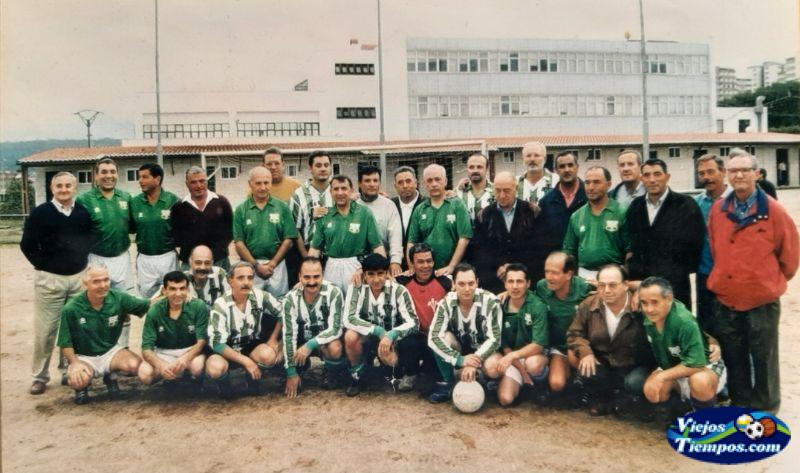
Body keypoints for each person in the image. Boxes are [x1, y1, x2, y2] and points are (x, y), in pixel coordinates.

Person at [708, 151, 799, 413]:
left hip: (761, 301)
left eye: (744, 170)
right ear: (727, 174)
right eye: (733, 170)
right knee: (734, 358)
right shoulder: (718, 210)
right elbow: (717, 249)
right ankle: (741, 405)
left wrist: (766, 282)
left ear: (756, 174)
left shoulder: (774, 211)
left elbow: (790, 258)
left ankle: (767, 410)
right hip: (727, 299)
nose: (738, 175)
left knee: (764, 359)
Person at [21, 171, 94, 395]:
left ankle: (68, 371)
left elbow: (89, 240)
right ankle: (39, 376)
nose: (64, 190)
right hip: (50, 280)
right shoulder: (41, 213)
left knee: (72, 329)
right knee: (46, 331)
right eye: (59, 186)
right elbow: (27, 245)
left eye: (68, 186)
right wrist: (44, 265)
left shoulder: (82, 212)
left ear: (75, 188)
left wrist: (80, 264)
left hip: (77, 279)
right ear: (52, 189)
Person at [57, 264, 150, 405]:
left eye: (106, 280)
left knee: (136, 365)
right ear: (85, 283)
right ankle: (82, 389)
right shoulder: (71, 308)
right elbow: (65, 342)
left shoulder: (118, 298)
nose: (103, 285)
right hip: (84, 357)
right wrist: (75, 363)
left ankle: (110, 377)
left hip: (110, 352)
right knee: (76, 379)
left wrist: (168, 295)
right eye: (96, 281)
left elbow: (148, 305)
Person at [567, 265, 652, 416]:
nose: (606, 290)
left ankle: (633, 400)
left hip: (633, 363)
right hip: (604, 362)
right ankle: (603, 399)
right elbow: (574, 333)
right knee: (582, 361)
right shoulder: (588, 304)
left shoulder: (641, 305)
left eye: (612, 285)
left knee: (635, 382)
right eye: (602, 285)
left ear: (626, 285)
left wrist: (709, 341)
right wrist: (586, 353)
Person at [625, 158, 705, 308]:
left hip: (674, 287)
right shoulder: (635, 207)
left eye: (657, 174)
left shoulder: (686, 205)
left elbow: (695, 250)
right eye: (647, 175)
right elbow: (633, 246)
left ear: (667, 177)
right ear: (641, 179)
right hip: (642, 286)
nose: (652, 180)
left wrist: (672, 276)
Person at [639, 277, 726, 415]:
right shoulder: (650, 315)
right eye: (644, 303)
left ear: (668, 298)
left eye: (655, 302)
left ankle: (706, 416)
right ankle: (683, 410)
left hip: (703, 367)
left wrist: (661, 376)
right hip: (675, 366)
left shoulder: (683, 320)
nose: (649, 309)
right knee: (651, 390)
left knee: (700, 381)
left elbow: (696, 364)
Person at [343, 254, 420, 396]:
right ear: (364, 275)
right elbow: (348, 318)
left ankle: (397, 369)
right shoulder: (357, 288)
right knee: (350, 336)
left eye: (380, 274)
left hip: (390, 340)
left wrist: (392, 334)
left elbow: (414, 322)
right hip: (369, 337)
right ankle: (356, 374)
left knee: (390, 362)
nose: (376, 279)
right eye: (371, 274)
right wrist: (377, 330)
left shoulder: (399, 290)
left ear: (387, 274)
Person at [204, 262, 284, 398]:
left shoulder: (260, 296)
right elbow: (217, 344)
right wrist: (247, 362)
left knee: (268, 355)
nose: (246, 282)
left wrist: (273, 339)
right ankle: (225, 385)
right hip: (226, 349)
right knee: (215, 368)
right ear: (230, 281)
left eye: (250, 278)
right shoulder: (221, 304)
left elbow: (285, 314)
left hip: (250, 345)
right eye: (240, 278)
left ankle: (252, 380)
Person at [427, 263, 502, 403]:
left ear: (477, 283)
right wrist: (460, 359)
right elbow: (433, 337)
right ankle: (448, 383)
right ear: (453, 284)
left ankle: (487, 381)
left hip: (483, 352)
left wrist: (473, 361)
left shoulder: (491, 302)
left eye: (471, 283)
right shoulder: (446, 303)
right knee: (443, 337)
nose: (467, 289)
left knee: (493, 367)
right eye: (461, 284)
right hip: (461, 351)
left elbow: (495, 339)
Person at [470, 171, 545, 292]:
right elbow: (479, 250)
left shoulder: (532, 212)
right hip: (494, 280)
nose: (501, 195)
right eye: (497, 190)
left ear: (516, 189)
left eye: (506, 190)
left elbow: (539, 247)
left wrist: (514, 267)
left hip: (526, 279)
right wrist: (498, 266)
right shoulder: (484, 215)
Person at [282, 257, 346, 398]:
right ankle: (300, 368)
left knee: (335, 347)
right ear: (299, 277)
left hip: (322, 343)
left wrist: (310, 344)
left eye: (316, 277)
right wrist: (291, 372)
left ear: (323, 275)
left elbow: (336, 329)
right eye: (307, 277)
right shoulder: (290, 299)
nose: (312, 282)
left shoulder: (334, 292)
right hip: (300, 343)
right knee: (280, 355)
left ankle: (330, 372)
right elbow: (288, 335)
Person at [308, 175, 384, 293]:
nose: (340, 193)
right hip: (331, 266)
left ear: (351, 190)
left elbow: (377, 246)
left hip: (357, 266)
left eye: (344, 188)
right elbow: (315, 249)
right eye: (336, 189)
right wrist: (308, 272)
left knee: (355, 305)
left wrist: (383, 270)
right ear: (331, 192)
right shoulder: (324, 215)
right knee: (332, 305)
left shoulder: (364, 213)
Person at [535, 251, 591, 401]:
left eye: (554, 273)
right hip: (558, 347)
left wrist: (634, 294)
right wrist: (506, 294)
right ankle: (569, 379)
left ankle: (585, 386)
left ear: (568, 274)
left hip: (580, 346)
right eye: (547, 271)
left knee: (575, 358)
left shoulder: (585, 287)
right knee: (556, 384)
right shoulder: (542, 287)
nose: (549, 277)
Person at [233, 166, 297, 297]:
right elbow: (239, 243)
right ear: (250, 184)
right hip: (251, 266)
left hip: (277, 266)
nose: (263, 187)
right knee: (252, 304)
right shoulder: (240, 210)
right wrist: (256, 266)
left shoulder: (282, 207)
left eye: (266, 183)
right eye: (258, 183)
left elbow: (289, 240)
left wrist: (273, 264)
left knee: (278, 304)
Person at [138, 271, 208, 386]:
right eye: (173, 289)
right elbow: (146, 348)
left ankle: (188, 377)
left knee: (197, 367)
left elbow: (201, 342)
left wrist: (185, 358)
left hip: (189, 350)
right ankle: (171, 378)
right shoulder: (155, 310)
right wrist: (161, 365)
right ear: (165, 291)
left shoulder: (198, 306)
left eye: (182, 288)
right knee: (144, 374)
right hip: (164, 352)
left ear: (188, 290)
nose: (178, 293)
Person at [562, 166, 630, 281]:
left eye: (596, 182)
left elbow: (630, 249)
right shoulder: (576, 216)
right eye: (587, 183)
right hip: (584, 275)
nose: (591, 187)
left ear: (608, 185)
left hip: (613, 275)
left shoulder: (621, 212)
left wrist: (624, 274)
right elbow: (569, 250)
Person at [494, 263, 549, 406]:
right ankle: (522, 384)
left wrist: (513, 356)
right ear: (505, 284)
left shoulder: (537, 305)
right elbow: (503, 343)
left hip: (532, 356)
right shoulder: (499, 305)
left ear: (528, 283)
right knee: (505, 399)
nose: (515, 286)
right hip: (513, 359)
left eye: (520, 281)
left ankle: (541, 386)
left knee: (533, 365)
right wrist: (520, 370)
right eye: (510, 281)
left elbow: (538, 345)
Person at [395, 243, 452, 378]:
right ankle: (410, 373)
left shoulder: (446, 282)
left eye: (429, 261)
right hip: (416, 336)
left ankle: (431, 369)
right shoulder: (402, 282)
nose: (426, 266)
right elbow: (379, 279)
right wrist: (360, 272)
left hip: (438, 337)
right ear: (412, 264)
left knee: (432, 377)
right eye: (420, 262)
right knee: (406, 341)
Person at [76, 158, 133, 291]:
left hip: (122, 258)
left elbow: (132, 226)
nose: (109, 176)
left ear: (117, 174)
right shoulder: (84, 199)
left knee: (123, 302)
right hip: (96, 259)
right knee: (97, 302)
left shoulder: (126, 197)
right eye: (104, 172)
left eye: (113, 172)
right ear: (96, 175)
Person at [407, 164, 472, 275]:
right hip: (426, 273)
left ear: (445, 181)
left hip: (452, 272)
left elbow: (464, 239)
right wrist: (412, 267)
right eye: (430, 180)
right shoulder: (419, 209)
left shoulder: (457, 205)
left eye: (438, 179)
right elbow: (411, 243)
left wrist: (451, 267)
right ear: (424, 184)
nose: (434, 184)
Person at [693, 154, 732, 334]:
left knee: (733, 328)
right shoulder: (696, 204)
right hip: (705, 274)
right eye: (701, 173)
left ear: (723, 172)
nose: (706, 177)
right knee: (707, 328)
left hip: (732, 276)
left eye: (710, 171)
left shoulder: (737, 200)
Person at [130, 163, 180, 298]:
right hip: (145, 259)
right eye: (139, 177)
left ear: (157, 179)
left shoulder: (173, 201)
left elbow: (181, 231)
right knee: (148, 299)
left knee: (172, 295)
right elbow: (131, 228)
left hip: (167, 257)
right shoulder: (134, 202)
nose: (140, 181)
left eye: (145, 177)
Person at [171, 166, 234, 269]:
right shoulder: (179, 207)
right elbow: (176, 237)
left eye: (202, 181)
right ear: (187, 184)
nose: (199, 185)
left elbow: (230, 232)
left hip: (219, 261)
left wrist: (214, 253)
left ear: (207, 182)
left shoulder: (221, 202)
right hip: (190, 264)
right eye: (193, 182)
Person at [536, 151, 587, 259]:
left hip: (585, 263)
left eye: (570, 165)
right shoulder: (546, 202)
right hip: (557, 265)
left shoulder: (589, 197)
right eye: (562, 166)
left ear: (577, 167)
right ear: (556, 170)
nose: (567, 170)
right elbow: (541, 239)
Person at [265, 147, 302, 287]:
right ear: (263, 165)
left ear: (283, 164)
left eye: (276, 163)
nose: (273, 167)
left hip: (292, 249)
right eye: (269, 164)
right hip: (268, 249)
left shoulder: (296, 187)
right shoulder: (255, 189)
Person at [357, 166, 404, 276]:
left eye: (375, 180)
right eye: (367, 181)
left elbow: (395, 236)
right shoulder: (354, 206)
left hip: (383, 262)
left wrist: (395, 261)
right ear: (359, 183)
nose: (372, 184)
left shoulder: (389, 205)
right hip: (358, 264)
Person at [290, 150, 333, 259]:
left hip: (335, 252)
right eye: (318, 165)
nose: (323, 168)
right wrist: (306, 257)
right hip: (308, 251)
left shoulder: (339, 191)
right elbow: (294, 230)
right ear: (310, 168)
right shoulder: (298, 195)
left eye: (326, 165)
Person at [391, 166, 421, 270]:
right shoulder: (390, 205)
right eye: (400, 182)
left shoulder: (427, 204)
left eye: (408, 181)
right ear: (395, 186)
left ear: (416, 182)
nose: (405, 186)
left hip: (421, 265)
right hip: (396, 266)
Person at [516, 141, 558, 205]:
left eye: (536, 155)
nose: (532, 159)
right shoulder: (514, 182)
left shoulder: (557, 181)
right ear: (523, 159)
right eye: (528, 156)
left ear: (545, 159)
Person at [456, 153, 494, 223]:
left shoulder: (497, 191)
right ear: (467, 169)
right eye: (471, 167)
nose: (475, 170)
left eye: (479, 167)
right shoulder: (458, 193)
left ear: (487, 169)